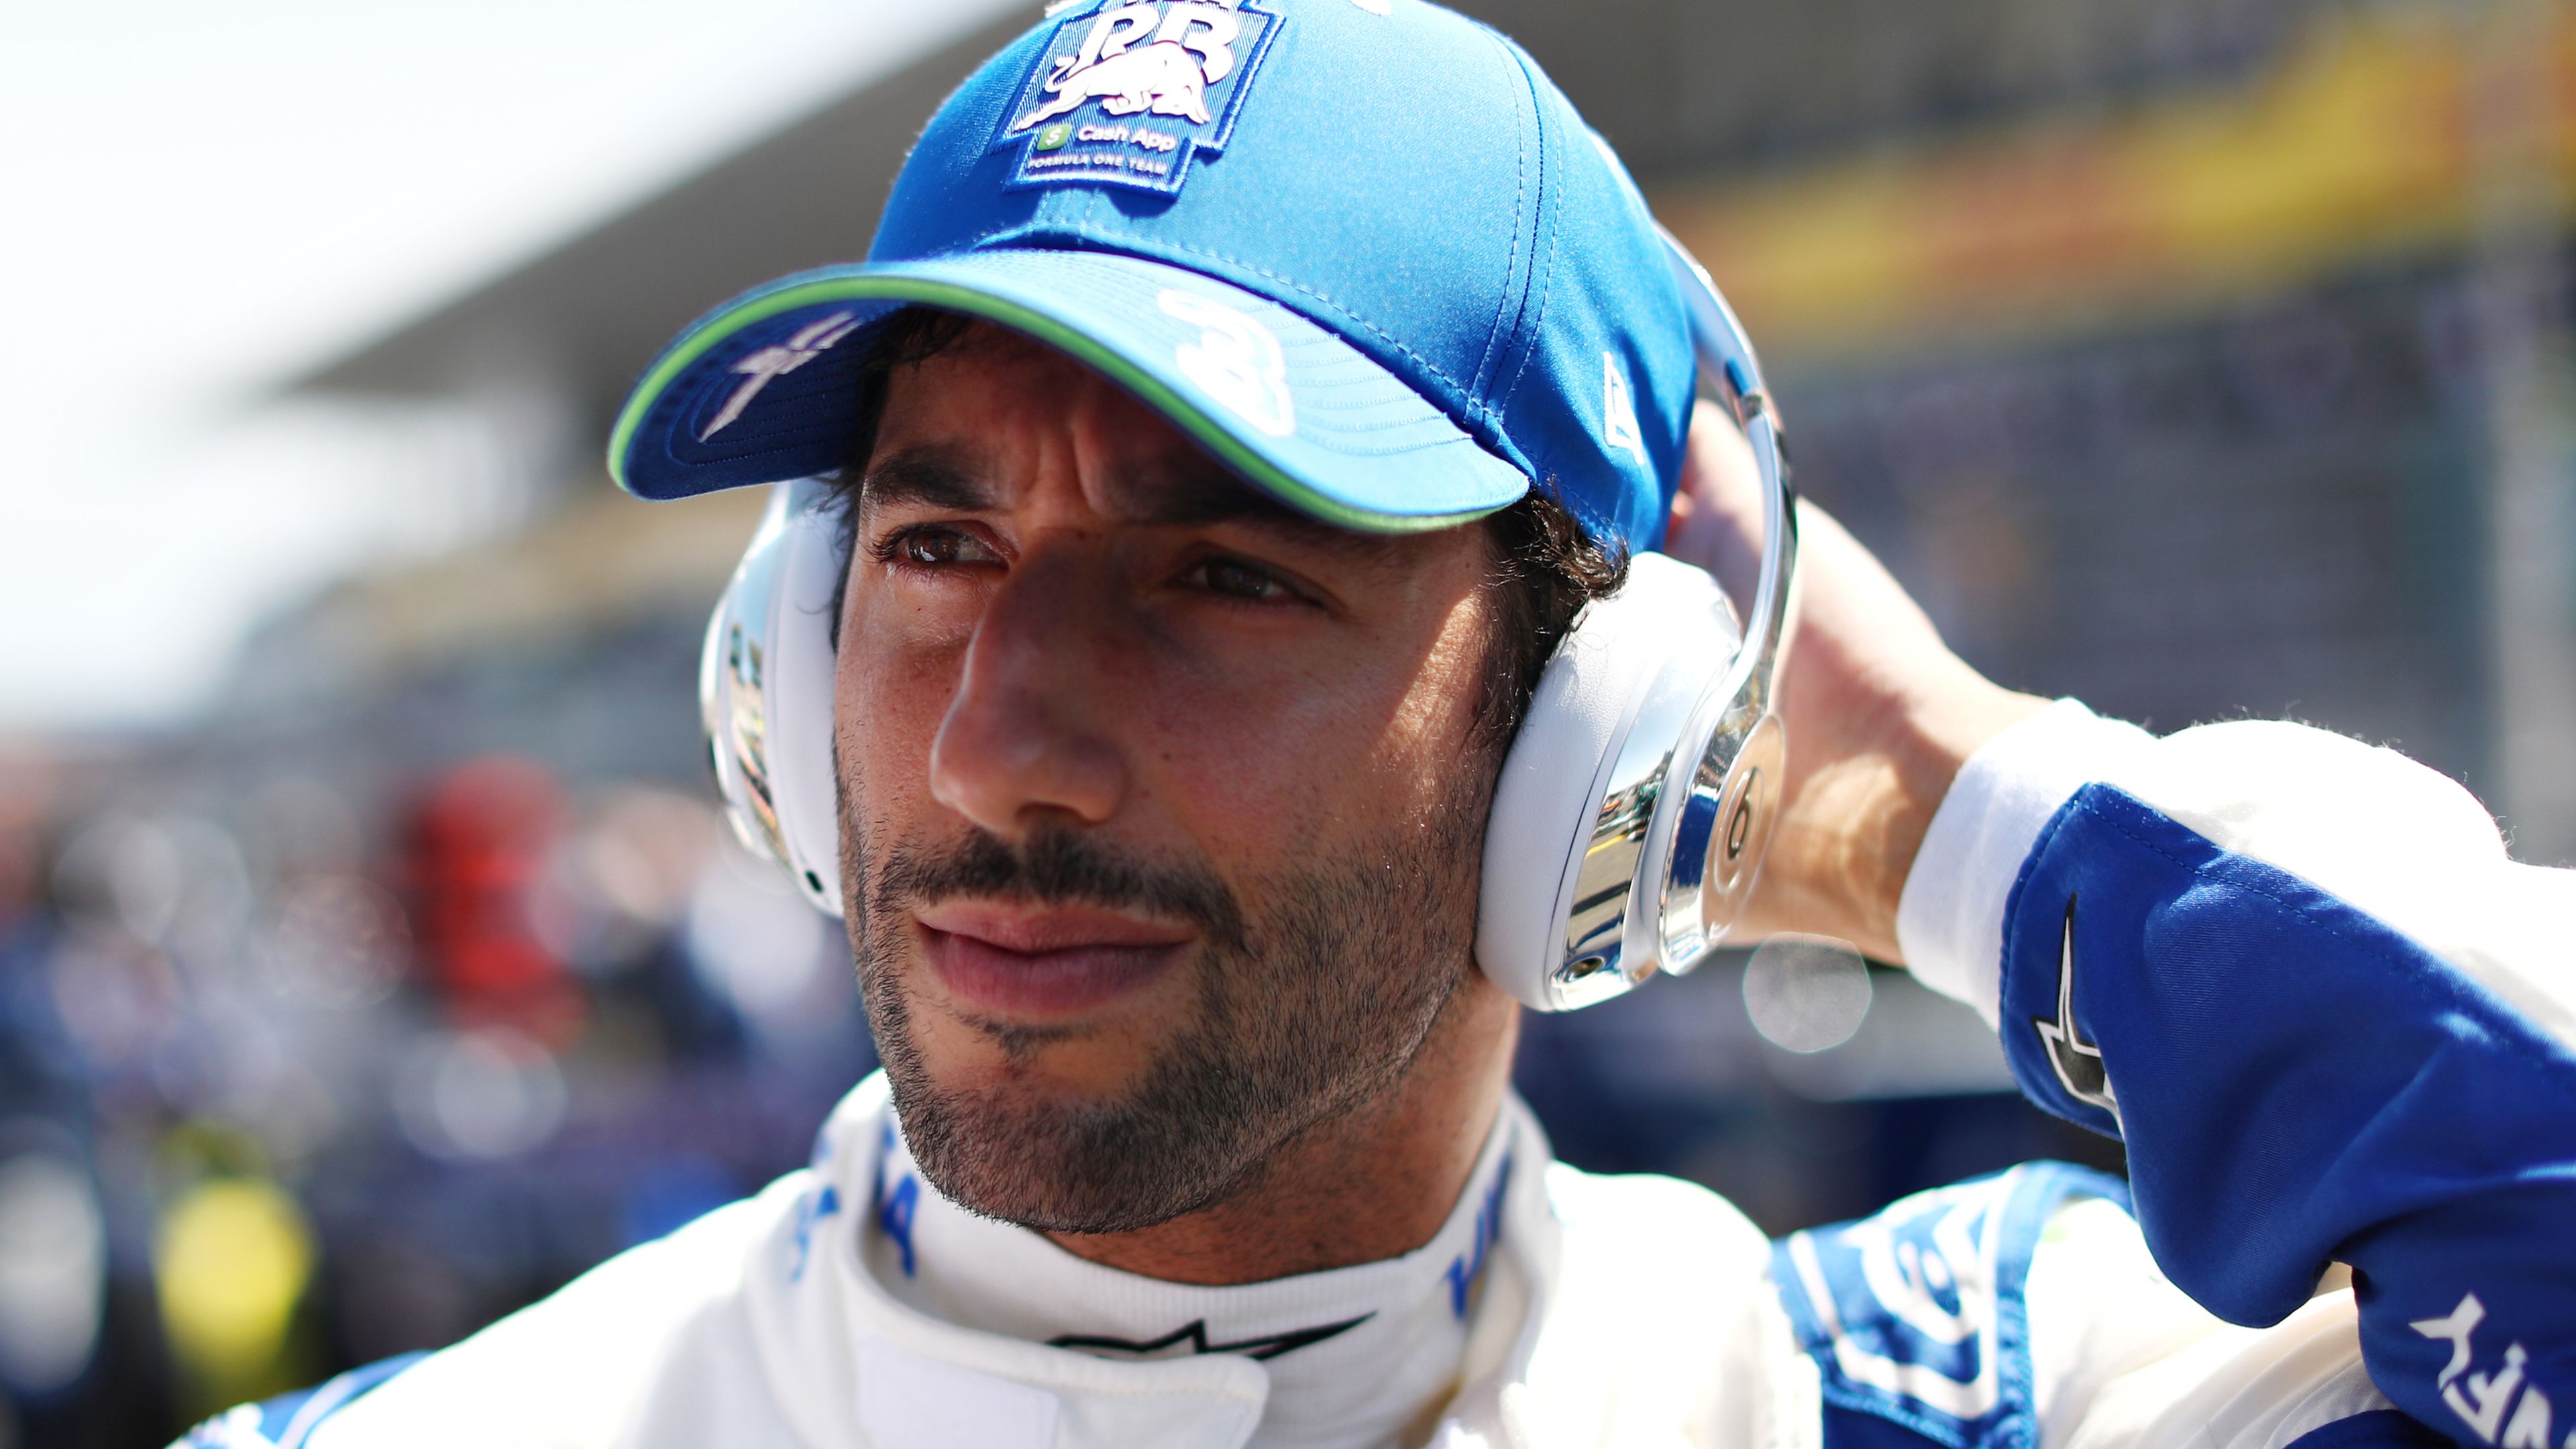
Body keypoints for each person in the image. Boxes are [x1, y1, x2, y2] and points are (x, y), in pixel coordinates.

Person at [181, 2, 2573, 1446]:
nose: (1005, 742)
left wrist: (1950, 811)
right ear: (776, 674)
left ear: (1602, 731)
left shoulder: (1949, 1393)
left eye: (1227, 572)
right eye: (934, 551)